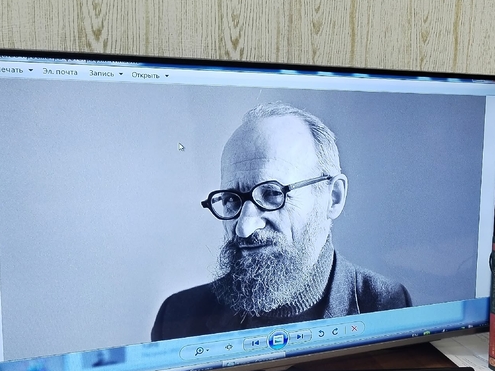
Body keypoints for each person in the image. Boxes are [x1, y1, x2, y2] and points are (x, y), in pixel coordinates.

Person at [151, 102, 412, 341]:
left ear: (333, 197)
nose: (244, 227)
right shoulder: (176, 319)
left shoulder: (386, 307)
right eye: (231, 200)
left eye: (272, 194)